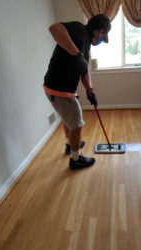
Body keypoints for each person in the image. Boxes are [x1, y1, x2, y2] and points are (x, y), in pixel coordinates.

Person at [43, 14, 111, 170]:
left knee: (69, 119)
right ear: (100, 31)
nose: (101, 40)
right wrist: (77, 54)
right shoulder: (80, 29)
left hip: (60, 88)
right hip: (58, 88)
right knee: (77, 123)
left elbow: (84, 69)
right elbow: (54, 28)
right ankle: (76, 158)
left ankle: (69, 145)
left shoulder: (86, 44)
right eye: (103, 36)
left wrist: (90, 90)